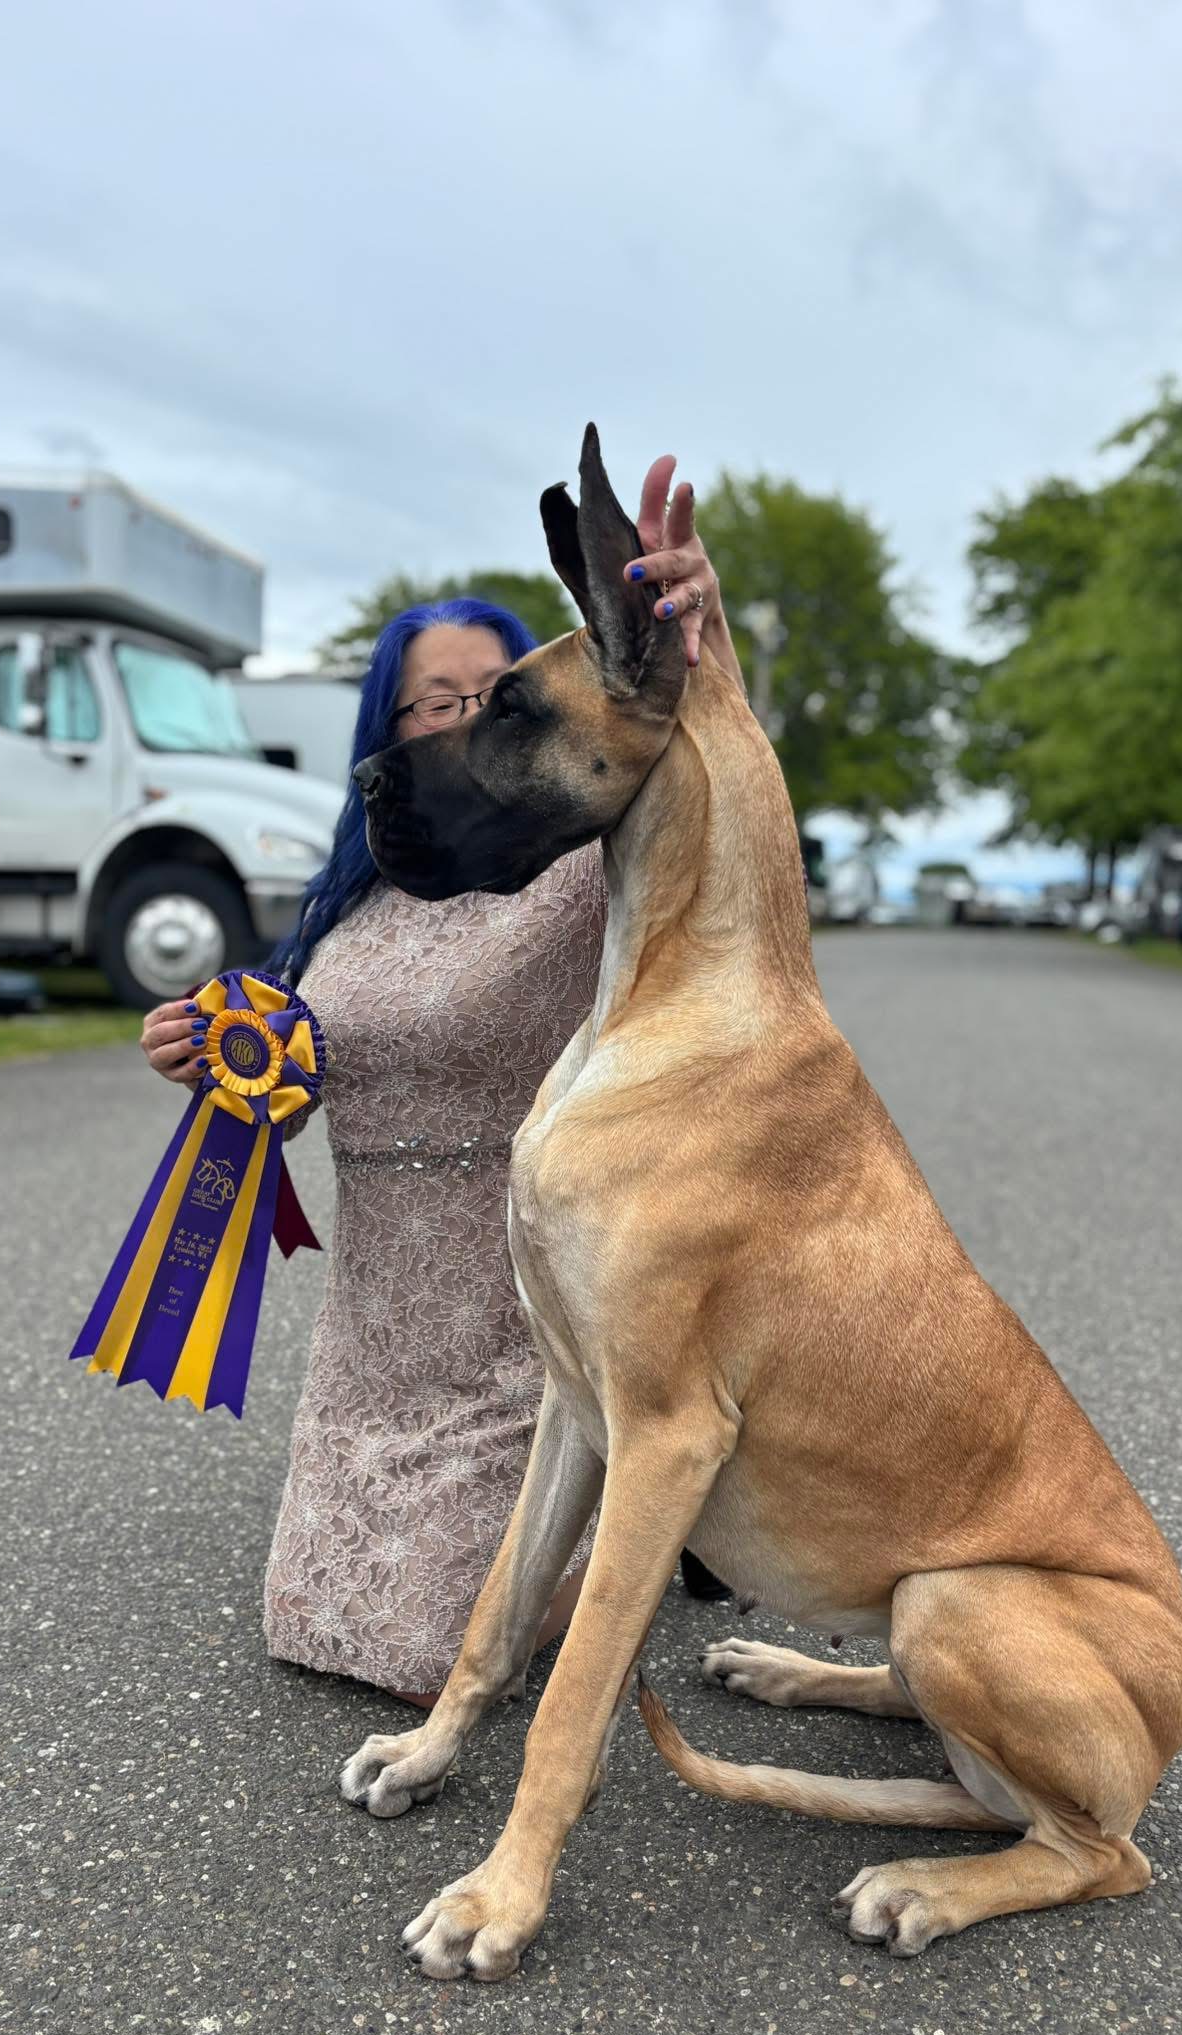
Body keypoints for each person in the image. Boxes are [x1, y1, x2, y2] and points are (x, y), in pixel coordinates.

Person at [138, 457, 741, 1702]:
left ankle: (642, 1508)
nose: (462, 720)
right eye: (433, 704)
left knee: (425, 1649)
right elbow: (302, 1091)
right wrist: (212, 1063)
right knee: (311, 1616)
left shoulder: (582, 867)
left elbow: (698, 758)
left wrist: (703, 630)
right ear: (391, 726)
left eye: (490, 699)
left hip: (528, 1331)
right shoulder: (351, 901)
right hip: (374, 1341)